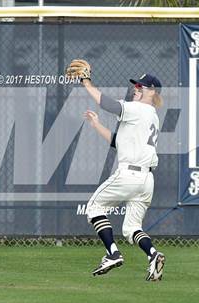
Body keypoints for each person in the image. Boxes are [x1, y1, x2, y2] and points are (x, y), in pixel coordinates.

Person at [75, 62, 165, 281]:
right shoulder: (151, 115)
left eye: (141, 87)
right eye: (136, 85)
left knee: (95, 207)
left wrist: (85, 82)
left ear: (151, 92)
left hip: (129, 175)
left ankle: (112, 253)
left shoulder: (137, 109)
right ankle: (153, 255)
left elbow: (107, 104)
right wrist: (97, 125)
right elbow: (119, 142)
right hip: (146, 180)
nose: (137, 88)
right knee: (132, 228)